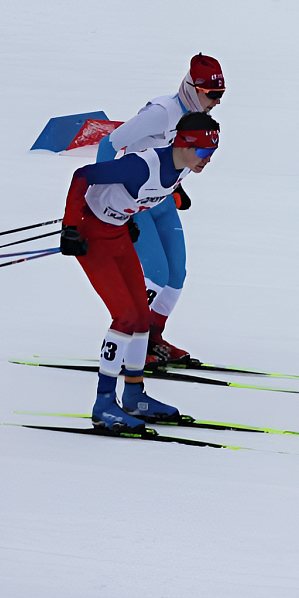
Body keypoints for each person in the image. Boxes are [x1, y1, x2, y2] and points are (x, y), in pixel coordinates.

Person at [61, 112, 220, 432]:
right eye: (203, 152)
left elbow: (139, 198)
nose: (206, 160)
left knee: (141, 318)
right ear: (185, 144)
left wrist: (131, 218)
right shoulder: (142, 165)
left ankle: (134, 395)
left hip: (118, 233)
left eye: (212, 154)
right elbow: (83, 176)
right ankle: (104, 404)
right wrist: (70, 227)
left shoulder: (179, 169)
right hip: (93, 237)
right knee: (125, 318)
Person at [97, 53, 225, 367]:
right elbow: (109, 145)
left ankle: (153, 338)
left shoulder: (199, 120)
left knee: (176, 276)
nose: (218, 101)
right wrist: (101, 201)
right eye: (213, 95)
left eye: (222, 95)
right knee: (155, 274)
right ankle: (129, 344)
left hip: (161, 200)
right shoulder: (162, 112)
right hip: (132, 199)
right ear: (193, 88)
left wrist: (177, 187)